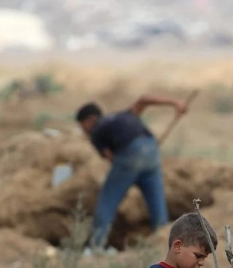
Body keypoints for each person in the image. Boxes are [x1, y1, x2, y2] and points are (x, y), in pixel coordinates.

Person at [76, 94, 189, 249]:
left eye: (82, 126)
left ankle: (95, 246)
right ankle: (166, 246)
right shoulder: (127, 114)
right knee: (157, 206)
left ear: (90, 120)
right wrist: (175, 102)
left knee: (107, 201)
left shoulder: (96, 132)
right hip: (151, 150)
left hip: (129, 153)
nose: (83, 130)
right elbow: (144, 99)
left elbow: (111, 157)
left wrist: (126, 176)